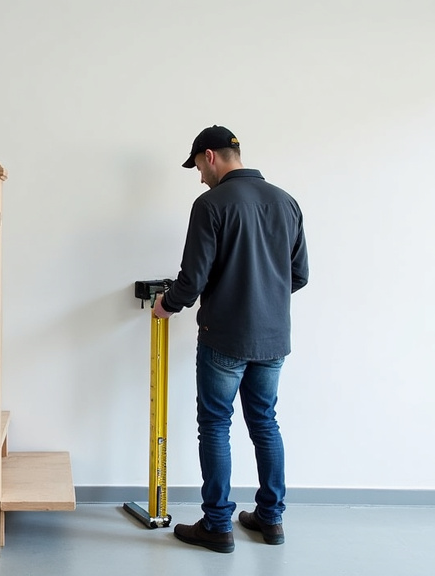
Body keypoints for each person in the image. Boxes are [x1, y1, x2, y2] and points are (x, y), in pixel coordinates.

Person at [155, 125, 308, 553]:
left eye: (198, 167)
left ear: (210, 156)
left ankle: (218, 525)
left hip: (224, 336)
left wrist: (168, 304)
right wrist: (262, 297)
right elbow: (299, 275)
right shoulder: (286, 201)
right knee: (264, 422)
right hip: (273, 338)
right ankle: (270, 520)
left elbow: (193, 277)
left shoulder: (210, 204)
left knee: (216, 425)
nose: (200, 176)